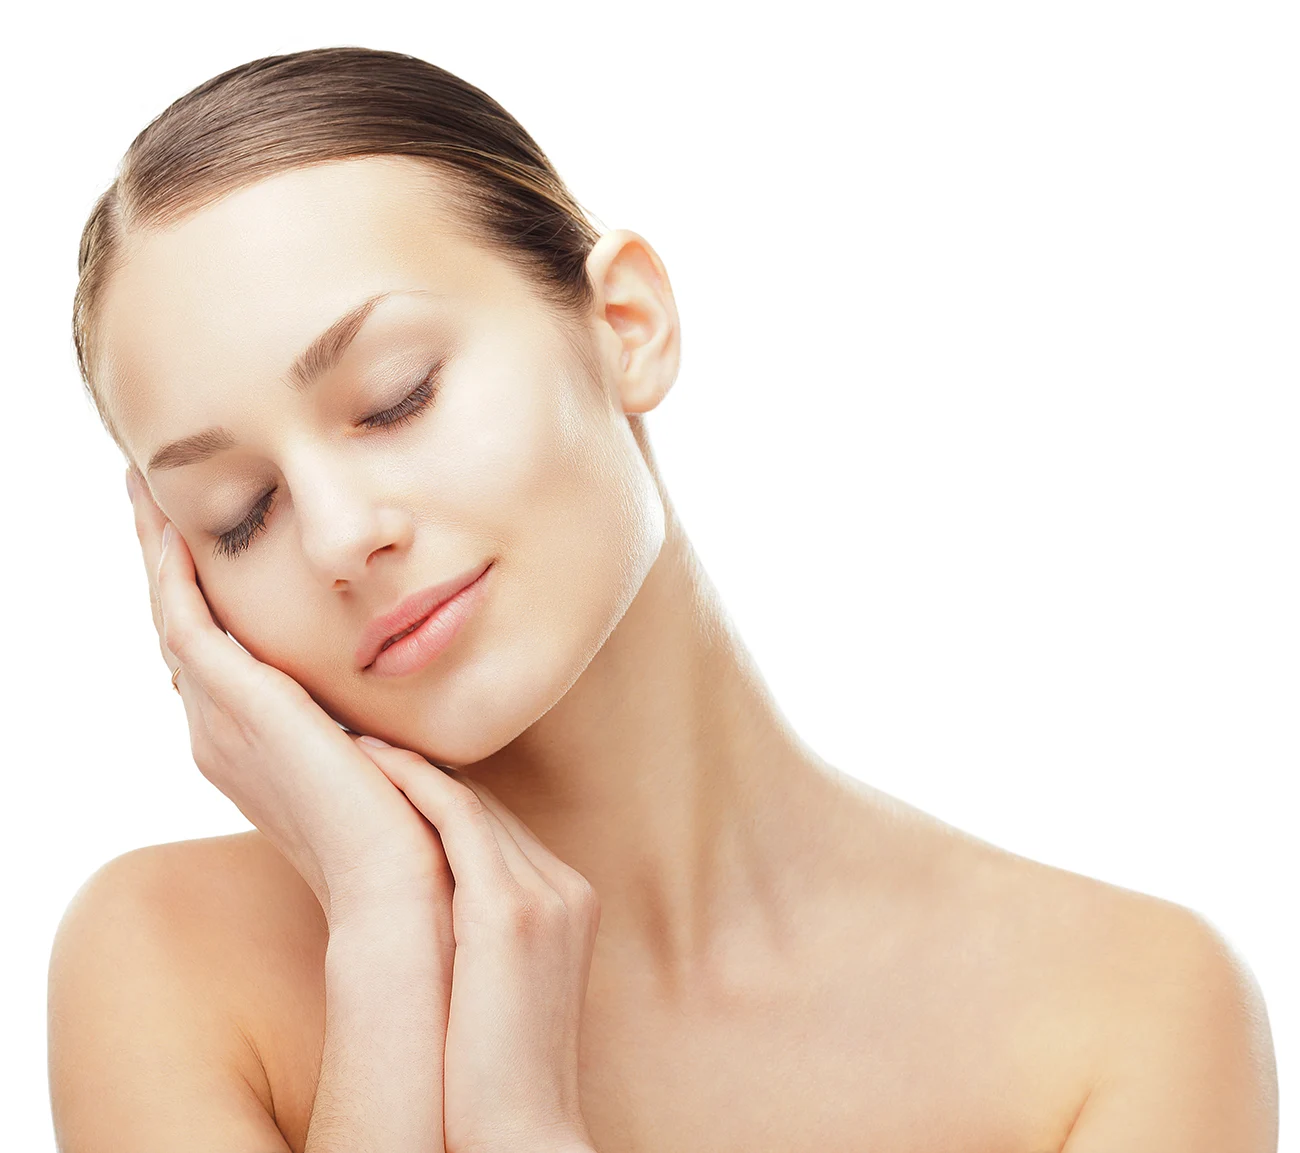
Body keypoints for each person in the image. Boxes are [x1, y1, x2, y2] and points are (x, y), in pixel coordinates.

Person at [46, 46, 1277, 1153]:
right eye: (239, 515)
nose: (341, 537)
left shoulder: (1125, 1014)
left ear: (624, 323)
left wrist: (524, 1129)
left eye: (396, 396)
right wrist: (382, 940)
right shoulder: (165, 967)